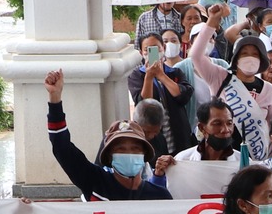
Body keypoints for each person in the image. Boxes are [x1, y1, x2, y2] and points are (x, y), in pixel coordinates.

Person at [42, 71, 169, 201]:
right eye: (121, 149)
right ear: (109, 155)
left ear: (144, 154)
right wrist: (55, 98)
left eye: (135, 148)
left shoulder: (159, 197)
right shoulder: (95, 183)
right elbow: (61, 148)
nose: (128, 154)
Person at [126, 35, 197, 155]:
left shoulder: (175, 72)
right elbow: (143, 103)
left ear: (163, 48)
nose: (152, 53)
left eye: (156, 48)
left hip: (178, 133)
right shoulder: (137, 76)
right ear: (141, 52)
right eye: (148, 50)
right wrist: (149, 77)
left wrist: (161, 76)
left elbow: (182, 96)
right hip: (153, 136)